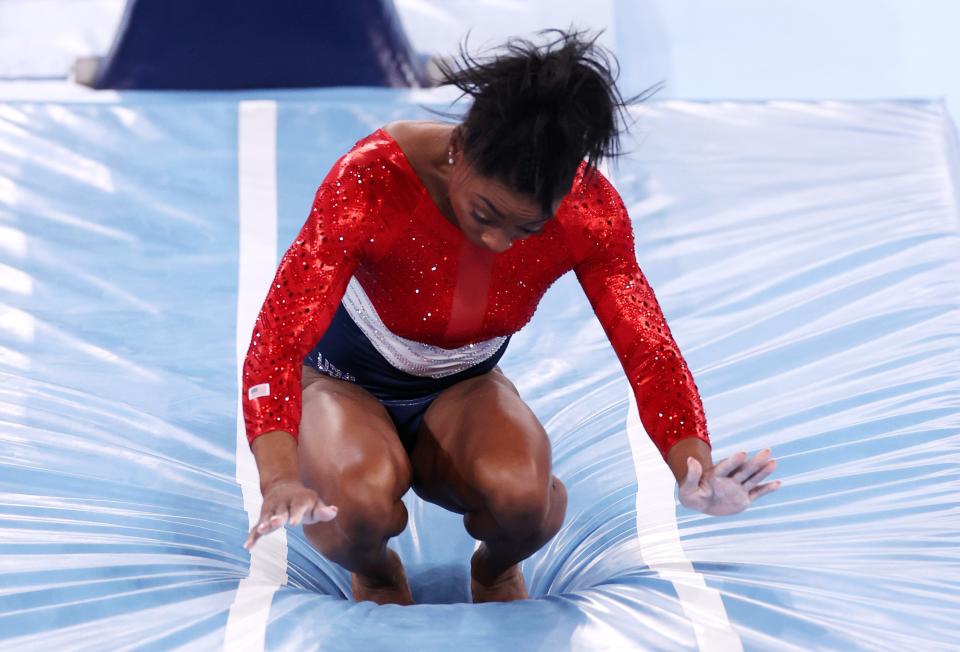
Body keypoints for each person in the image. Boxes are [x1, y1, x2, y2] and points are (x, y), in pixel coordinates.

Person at [239, 28, 781, 606]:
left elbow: (648, 347)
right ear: (462, 145)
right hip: (343, 385)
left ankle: (494, 570)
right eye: (485, 212)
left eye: (527, 228)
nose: (499, 242)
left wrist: (692, 467)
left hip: (463, 389)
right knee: (358, 504)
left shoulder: (589, 213)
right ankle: (372, 570)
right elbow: (277, 336)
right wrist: (278, 477)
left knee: (524, 499)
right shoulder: (372, 180)